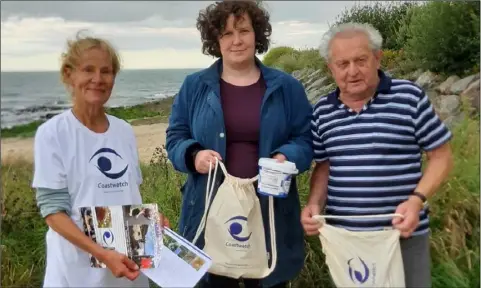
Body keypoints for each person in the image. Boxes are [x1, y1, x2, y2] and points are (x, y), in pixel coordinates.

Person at [165, 1, 313, 287]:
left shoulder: (286, 87)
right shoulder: (194, 86)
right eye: (226, 33)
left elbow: (306, 138)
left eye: (243, 30)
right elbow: (175, 136)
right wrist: (193, 155)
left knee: (268, 279)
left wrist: (286, 156)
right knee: (215, 280)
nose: (236, 40)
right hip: (210, 212)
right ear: (215, 41)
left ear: (257, 34)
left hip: (270, 212)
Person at [301, 22, 454, 287]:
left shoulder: (409, 97)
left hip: (403, 236)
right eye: (342, 63)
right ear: (330, 68)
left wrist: (417, 201)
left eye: (361, 60)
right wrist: (314, 204)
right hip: (345, 240)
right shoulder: (322, 111)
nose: (352, 71)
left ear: (377, 57)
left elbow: (441, 155)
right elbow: (324, 166)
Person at [32, 32, 150, 287]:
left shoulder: (124, 130)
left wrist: (150, 222)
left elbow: (128, 197)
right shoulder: (52, 133)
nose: (98, 79)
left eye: (106, 72)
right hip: (78, 272)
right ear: (69, 74)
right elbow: (53, 212)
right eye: (88, 70)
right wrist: (102, 253)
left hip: (127, 267)